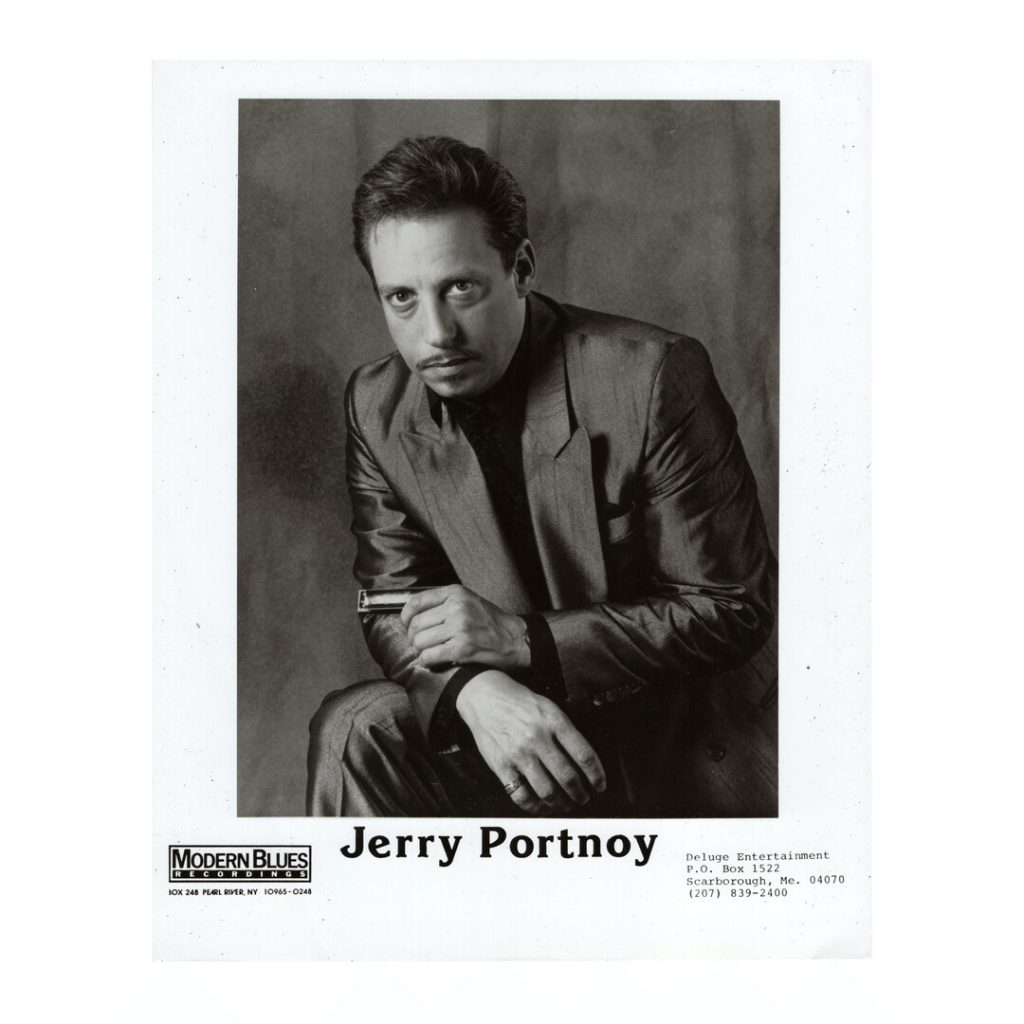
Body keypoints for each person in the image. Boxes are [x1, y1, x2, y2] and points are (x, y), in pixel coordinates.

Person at [307, 135, 777, 817]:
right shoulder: (376, 405)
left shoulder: (652, 376)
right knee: (355, 729)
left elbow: (731, 608)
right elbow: (391, 605)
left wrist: (522, 641)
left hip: (673, 736)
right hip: (512, 727)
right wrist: (474, 692)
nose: (436, 333)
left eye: (460, 287)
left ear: (521, 268)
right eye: (401, 298)